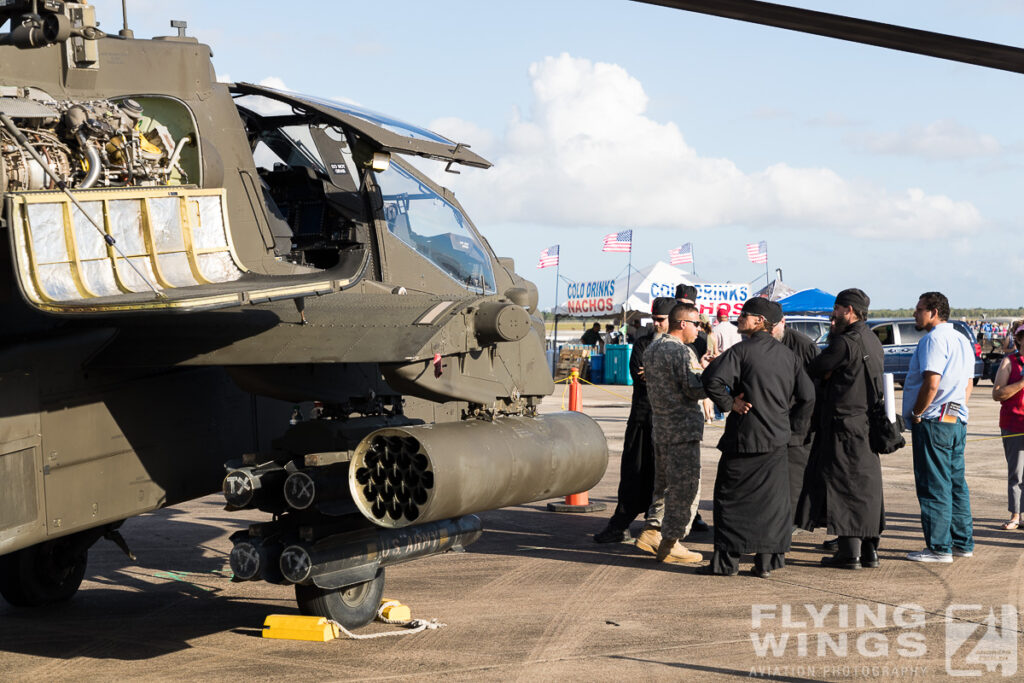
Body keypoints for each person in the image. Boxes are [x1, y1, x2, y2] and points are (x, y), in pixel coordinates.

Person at [700, 297, 815, 577]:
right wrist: (792, 429)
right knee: (773, 506)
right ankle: (767, 562)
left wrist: (730, 404)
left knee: (730, 500)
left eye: (745, 315)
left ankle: (726, 563)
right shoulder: (789, 356)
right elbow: (808, 396)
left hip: (744, 438)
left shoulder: (741, 351)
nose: (740, 318)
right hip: (776, 441)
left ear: (760, 321)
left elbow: (711, 380)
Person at [794, 289, 885, 570]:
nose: (832, 316)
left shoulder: (845, 343)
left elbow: (815, 368)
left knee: (846, 488)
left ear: (848, 311)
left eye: (836, 310)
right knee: (866, 488)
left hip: (843, 425)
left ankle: (849, 554)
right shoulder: (872, 339)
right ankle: (869, 552)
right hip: (865, 424)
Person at [593, 298, 674, 543]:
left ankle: (662, 530)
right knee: (633, 474)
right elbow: (640, 376)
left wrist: (656, 374)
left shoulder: (679, 348)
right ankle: (620, 525)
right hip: (642, 420)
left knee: (668, 480)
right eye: (655, 320)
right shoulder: (642, 344)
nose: (657, 325)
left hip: (668, 425)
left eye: (662, 320)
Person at [902, 291, 975, 563]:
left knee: (934, 484)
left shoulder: (934, 339)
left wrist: (918, 413)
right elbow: (968, 383)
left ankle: (938, 548)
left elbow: (932, 382)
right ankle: (962, 542)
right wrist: (956, 408)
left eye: (919, 309)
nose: (915, 313)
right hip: (956, 418)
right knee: (956, 483)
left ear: (933, 312)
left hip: (934, 420)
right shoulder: (961, 339)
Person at [639, 302, 711, 563]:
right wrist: (710, 375)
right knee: (685, 488)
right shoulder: (680, 352)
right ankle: (671, 542)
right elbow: (694, 391)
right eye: (696, 325)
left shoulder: (653, 349)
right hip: (682, 431)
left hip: (662, 429)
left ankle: (654, 531)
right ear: (683, 324)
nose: (699, 331)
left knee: (664, 486)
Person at [773, 316, 820, 521]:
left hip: (799, 421)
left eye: (772, 326)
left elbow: (816, 386)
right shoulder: (762, 343)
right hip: (775, 420)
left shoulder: (803, 345)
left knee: (795, 473)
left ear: (782, 322)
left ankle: (793, 520)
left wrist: (803, 421)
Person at [991, 320, 1024, 530]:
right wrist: (1021, 383)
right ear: (1019, 339)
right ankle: (1015, 515)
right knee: (1017, 472)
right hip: (1014, 423)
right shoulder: (1009, 362)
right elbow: (997, 393)